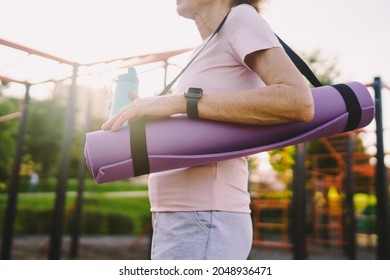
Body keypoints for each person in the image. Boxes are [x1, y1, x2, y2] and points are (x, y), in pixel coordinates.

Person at [102, 0, 314, 260]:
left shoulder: (241, 17)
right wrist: (156, 115)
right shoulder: (204, 48)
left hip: (204, 217)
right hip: (179, 216)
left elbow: (297, 100)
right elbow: (204, 117)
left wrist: (180, 102)